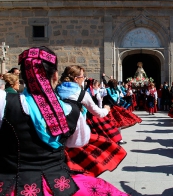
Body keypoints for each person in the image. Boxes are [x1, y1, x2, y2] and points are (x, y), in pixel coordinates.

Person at [0, 46, 128, 195]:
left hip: (10, 184)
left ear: (22, 75)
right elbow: (78, 142)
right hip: (58, 183)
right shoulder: (72, 111)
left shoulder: (4, 102)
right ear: (55, 75)